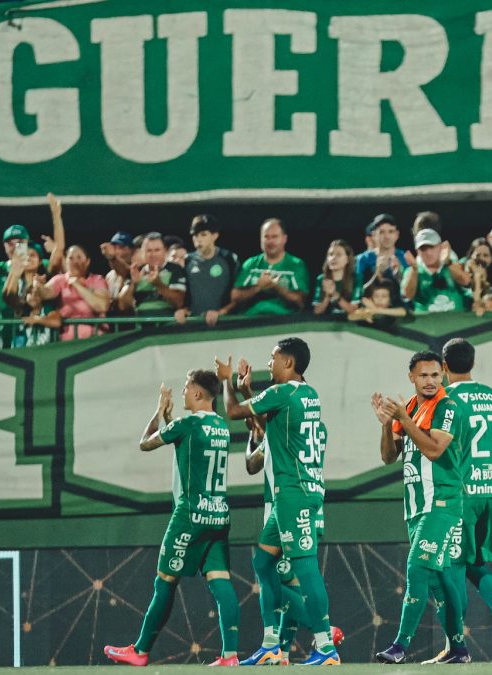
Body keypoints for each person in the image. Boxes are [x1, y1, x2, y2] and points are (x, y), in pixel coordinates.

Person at [103, 371, 239, 667]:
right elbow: (187, 444)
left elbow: (146, 443)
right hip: (218, 515)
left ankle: (140, 650)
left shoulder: (187, 424)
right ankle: (230, 656)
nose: (184, 392)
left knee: (165, 581)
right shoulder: (220, 426)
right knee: (221, 582)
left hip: (190, 516)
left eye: (187, 387)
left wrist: (159, 411)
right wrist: (169, 418)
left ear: (199, 394)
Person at [217, 338, 339, 665]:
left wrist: (227, 382)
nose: (268, 364)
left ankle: (326, 645)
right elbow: (270, 424)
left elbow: (233, 412)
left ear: (288, 362)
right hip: (298, 491)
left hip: (292, 494)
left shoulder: (282, 392)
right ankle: (271, 644)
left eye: (272, 358)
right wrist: (247, 390)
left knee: (304, 567)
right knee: (263, 562)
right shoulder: (308, 393)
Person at [423, 338, 492, 664]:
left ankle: (455, 646)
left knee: (451, 567)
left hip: (463, 493)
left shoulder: (444, 399)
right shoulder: (490, 395)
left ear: (444, 367)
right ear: (473, 363)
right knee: (475, 563)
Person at [370, 351, 471, 664]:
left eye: (435, 375)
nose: (430, 381)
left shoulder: (447, 407)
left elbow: (435, 449)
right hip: (416, 506)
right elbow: (389, 457)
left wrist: (403, 419)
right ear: (411, 377)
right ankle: (458, 649)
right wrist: (387, 425)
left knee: (417, 568)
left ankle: (400, 646)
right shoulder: (412, 407)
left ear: (443, 375)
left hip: (442, 502)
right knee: (438, 580)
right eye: (423, 375)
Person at [232, 219, 310, 316]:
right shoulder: (250, 264)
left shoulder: (296, 264)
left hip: (285, 321)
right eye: (266, 237)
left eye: (274, 237)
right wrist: (258, 287)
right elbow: (235, 298)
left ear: (284, 239)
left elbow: (300, 302)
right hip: (251, 320)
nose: (270, 241)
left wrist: (275, 286)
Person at [177, 215, 240, 326]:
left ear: (215, 236)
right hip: (193, 325)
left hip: (224, 324)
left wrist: (221, 312)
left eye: (203, 234)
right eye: (195, 235)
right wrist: (182, 310)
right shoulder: (186, 261)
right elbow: (183, 296)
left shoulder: (229, 259)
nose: (198, 239)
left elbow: (239, 296)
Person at [39, 245, 109, 340]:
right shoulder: (59, 280)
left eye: (79, 257)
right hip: (69, 341)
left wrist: (77, 285)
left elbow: (102, 306)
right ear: (66, 261)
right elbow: (45, 294)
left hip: (96, 339)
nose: (75, 262)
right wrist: (38, 286)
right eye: (71, 258)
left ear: (87, 261)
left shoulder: (97, 280)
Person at [402, 229, 467, 313]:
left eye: (432, 247)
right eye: (423, 249)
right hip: (425, 320)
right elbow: (408, 296)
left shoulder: (453, 265)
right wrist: (414, 270)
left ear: (440, 247)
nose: (428, 253)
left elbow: (466, 282)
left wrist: (447, 263)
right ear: (417, 251)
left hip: (456, 320)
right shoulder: (411, 271)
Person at [356, 214, 409, 291]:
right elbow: (358, 293)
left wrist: (400, 275)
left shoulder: (405, 258)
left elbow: (411, 293)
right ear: (374, 235)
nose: (386, 236)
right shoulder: (363, 259)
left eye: (391, 231)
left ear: (397, 235)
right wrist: (377, 275)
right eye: (381, 232)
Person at [313, 239, 359, 317]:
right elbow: (317, 311)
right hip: (327, 322)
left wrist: (335, 294)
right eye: (330, 254)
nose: (333, 258)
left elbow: (354, 311)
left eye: (338, 255)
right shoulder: (321, 279)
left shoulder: (356, 278)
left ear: (347, 259)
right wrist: (328, 296)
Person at [464, 237, 492, 316]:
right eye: (478, 255)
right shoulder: (463, 278)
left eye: (486, 255)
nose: (481, 258)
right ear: (471, 256)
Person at [101, 231, 136, 312]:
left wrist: (112, 257)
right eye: (114, 248)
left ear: (132, 250)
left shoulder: (137, 270)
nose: (117, 252)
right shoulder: (110, 276)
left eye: (121, 247)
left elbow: (124, 271)